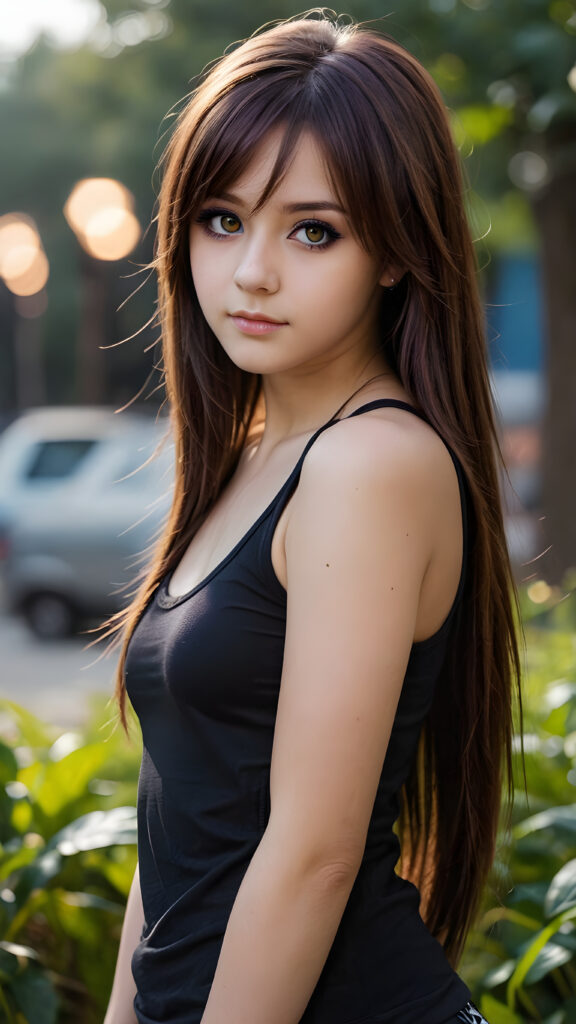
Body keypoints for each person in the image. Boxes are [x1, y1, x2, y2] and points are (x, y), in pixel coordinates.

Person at [101, 11, 521, 1024]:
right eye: (222, 219)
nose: (252, 270)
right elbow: (178, 824)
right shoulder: (251, 456)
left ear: (394, 252)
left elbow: (314, 854)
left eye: (314, 230)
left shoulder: (371, 464)